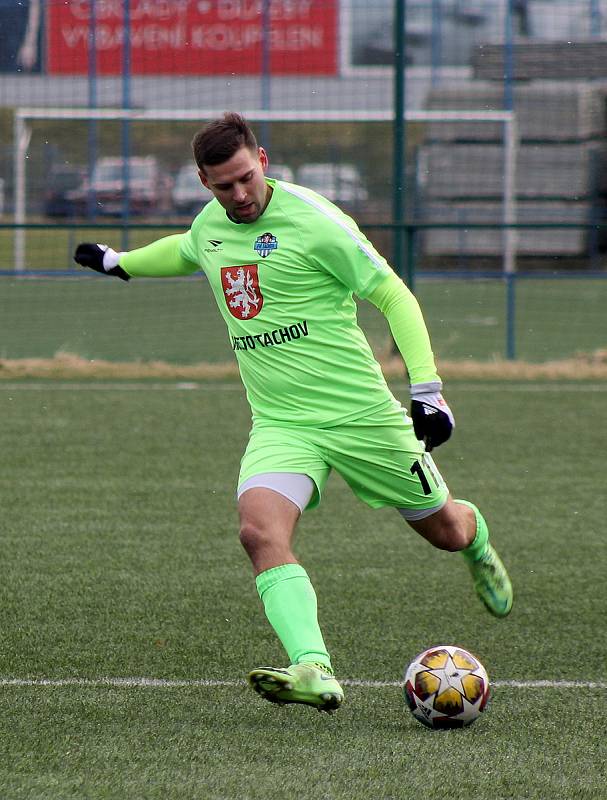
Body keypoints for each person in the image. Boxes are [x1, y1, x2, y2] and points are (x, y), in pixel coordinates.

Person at [74, 112, 513, 714]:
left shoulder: (315, 220)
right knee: (258, 532)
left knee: (446, 531)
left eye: (247, 178)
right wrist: (118, 262)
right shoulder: (212, 225)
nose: (240, 194)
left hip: (362, 417)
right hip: (282, 425)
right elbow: (186, 250)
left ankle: (476, 539)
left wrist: (428, 389)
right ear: (203, 181)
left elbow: (392, 293)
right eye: (224, 185)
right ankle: (314, 667)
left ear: (265, 160)